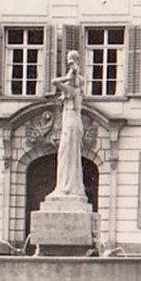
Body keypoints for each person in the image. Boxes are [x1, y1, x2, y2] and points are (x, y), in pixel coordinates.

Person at [47, 51, 85, 200]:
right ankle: (68, 186)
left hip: (70, 125)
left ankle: (65, 186)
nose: (69, 65)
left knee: (65, 154)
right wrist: (71, 74)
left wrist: (69, 76)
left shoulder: (71, 89)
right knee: (69, 154)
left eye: (70, 63)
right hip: (74, 124)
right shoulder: (75, 89)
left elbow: (54, 81)